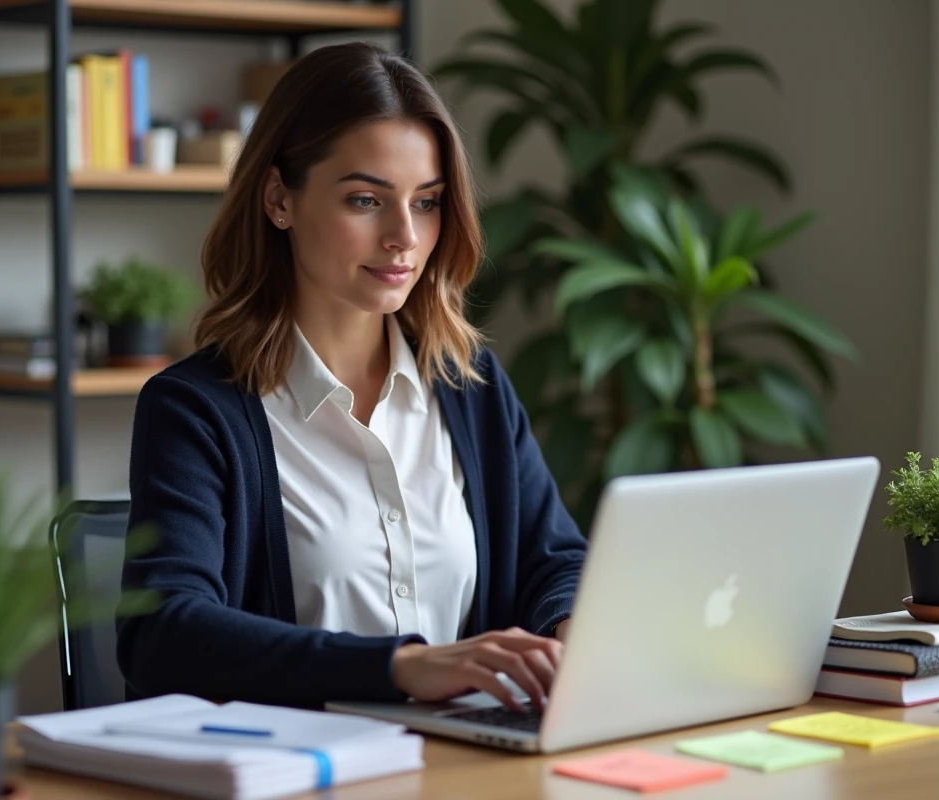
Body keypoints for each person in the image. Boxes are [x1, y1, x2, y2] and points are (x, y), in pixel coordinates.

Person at [116, 41, 587, 714]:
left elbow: (554, 560)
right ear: (279, 198)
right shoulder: (197, 409)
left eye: (426, 202)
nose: (404, 236)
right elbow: (161, 633)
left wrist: (569, 641)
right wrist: (403, 667)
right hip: (296, 772)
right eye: (366, 200)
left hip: (466, 766)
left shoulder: (467, 383)